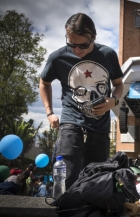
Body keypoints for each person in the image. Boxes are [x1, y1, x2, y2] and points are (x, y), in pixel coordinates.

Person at [39, 13, 124, 190]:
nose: (77, 50)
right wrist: (49, 112)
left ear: (94, 37)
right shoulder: (57, 57)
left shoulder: (107, 54)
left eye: (83, 45)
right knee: (68, 177)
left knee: (96, 180)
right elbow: (44, 83)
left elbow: (118, 84)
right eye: (72, 44)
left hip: (100, 127)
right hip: (70, 123)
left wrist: (113, 101)